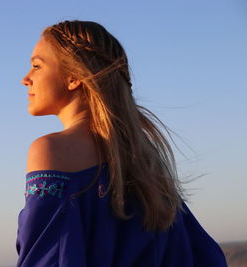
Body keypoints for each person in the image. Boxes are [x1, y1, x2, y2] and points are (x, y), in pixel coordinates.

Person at [15, 20, 227, 267]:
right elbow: (203, 255)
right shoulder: (144, 157)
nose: (25, 79)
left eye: (36, 66)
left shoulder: (51, 150)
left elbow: (45, 258)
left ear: (73, 77)